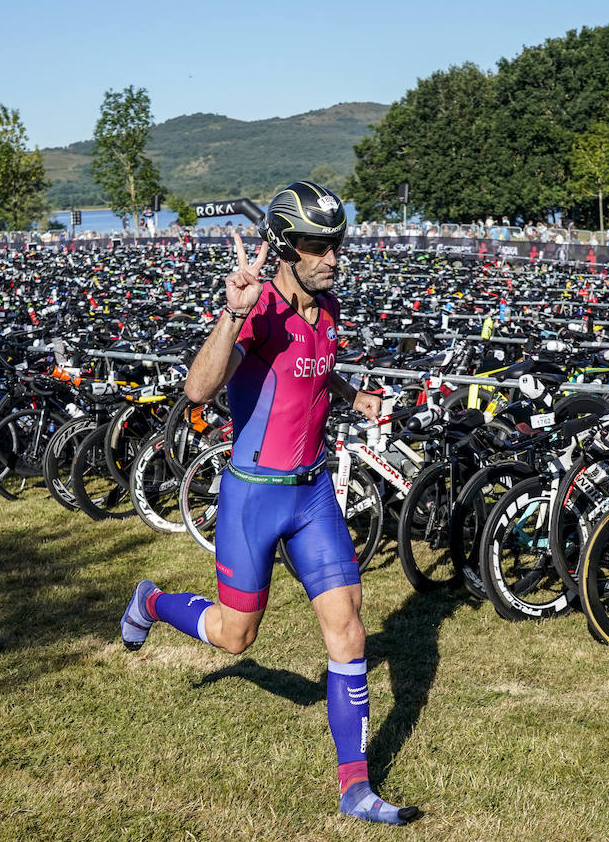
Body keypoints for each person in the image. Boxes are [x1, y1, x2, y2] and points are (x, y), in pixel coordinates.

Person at [118, 181, 420, 826]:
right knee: (236, 635)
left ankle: (355, 786)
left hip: (312, 495)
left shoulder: (327, 308)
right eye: (315, 246)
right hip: (253, 497)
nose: (329, 257)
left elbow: (316, 365)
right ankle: (151, 601)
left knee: (348, 624)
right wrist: (232, 312)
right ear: (285, 245)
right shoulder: (258, 311)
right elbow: (198, 389)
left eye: (335, 244)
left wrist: (351, 395)